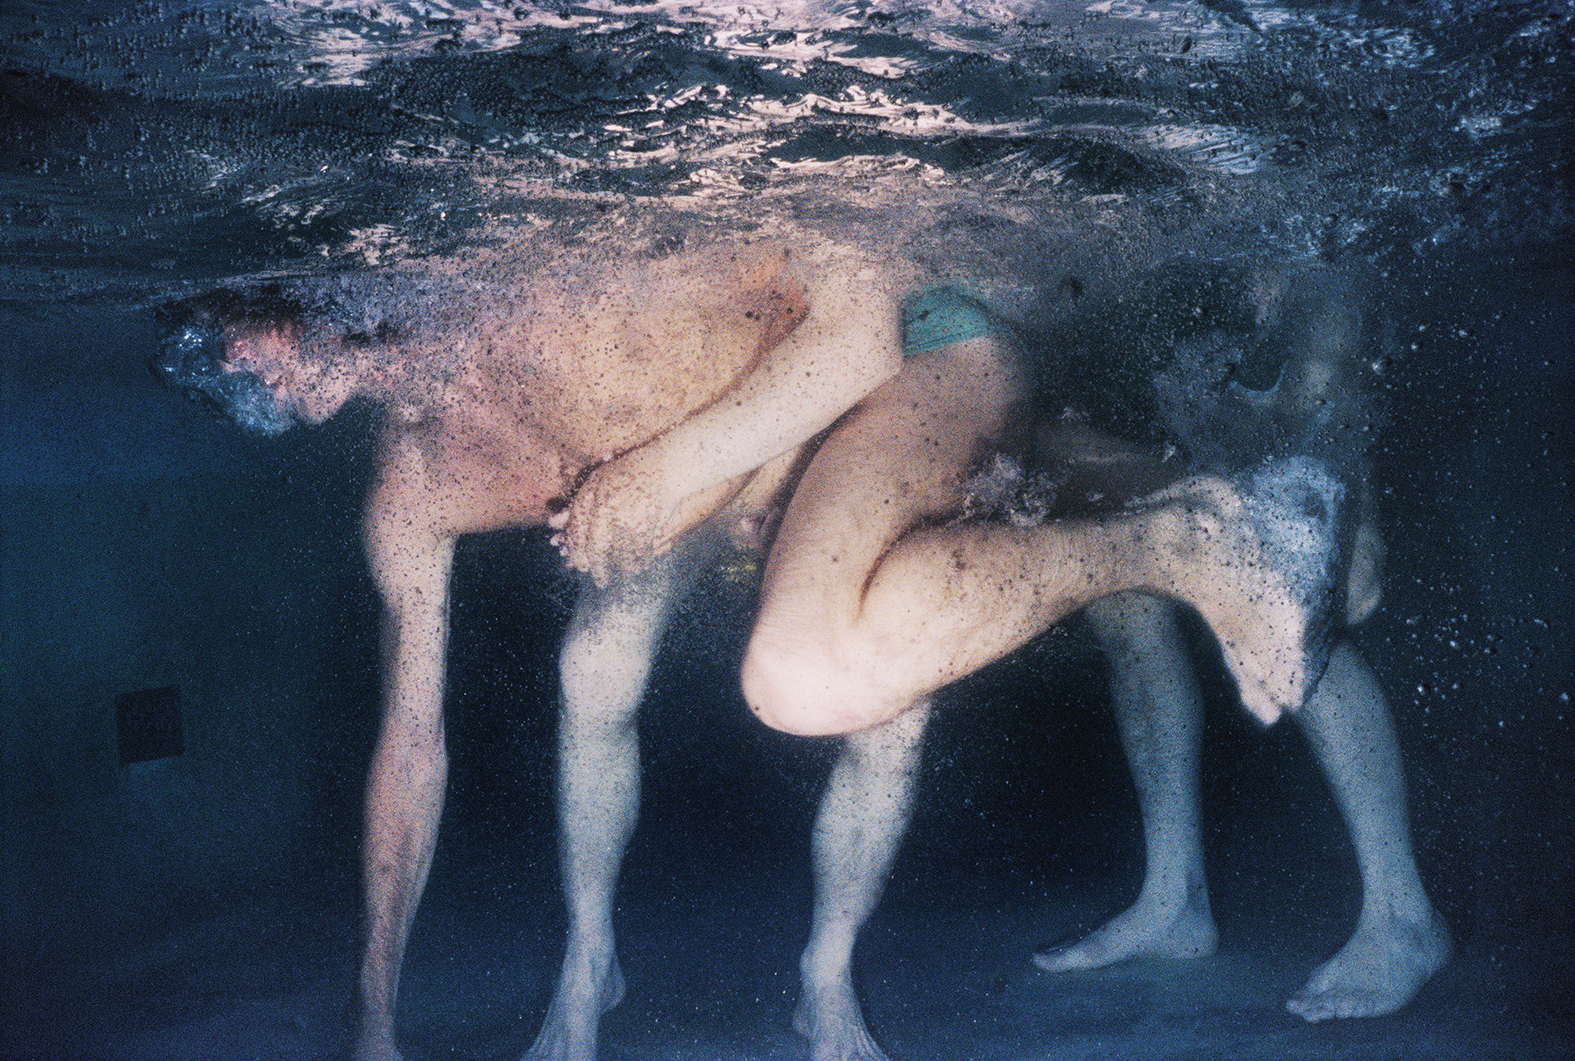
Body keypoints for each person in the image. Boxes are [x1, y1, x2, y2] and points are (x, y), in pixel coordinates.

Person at [158, 237, 1339, 1061]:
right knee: (592, 670)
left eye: (270, 343)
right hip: (700, 463)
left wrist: (693, 473)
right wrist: (374, 1017)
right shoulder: (414, 491)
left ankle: (828, 977)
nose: (294, 373)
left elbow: (855, 314)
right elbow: (409, 740)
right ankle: (586, 974)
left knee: (871, 696)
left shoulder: (550, 311)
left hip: (829, 393)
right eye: (267, 379)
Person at [1026, 264, 1450, 1022]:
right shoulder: (1120, 235)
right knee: (1119, 594)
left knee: (1294, 595)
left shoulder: (1293, 247)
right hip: (1152, 410)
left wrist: (1357, 514)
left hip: (1286, 415)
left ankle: (1403, 916)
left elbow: (1327, 389)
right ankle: (1173, 899)